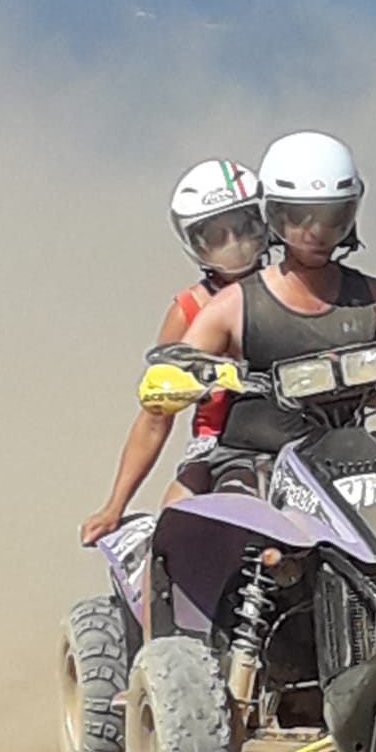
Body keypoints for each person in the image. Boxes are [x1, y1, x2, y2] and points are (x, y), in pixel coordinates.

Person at [173, 131, 376, 491]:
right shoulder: (233, 306)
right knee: (214, 528)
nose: (316, 231)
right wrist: (171, 382)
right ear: (274, 215)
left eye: (332, 216)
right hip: (252, 466)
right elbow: (174, 372)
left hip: (349, 465)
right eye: (300, 216)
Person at [79, 158, 266, 546]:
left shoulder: (296, 289)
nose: (234, 243)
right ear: (195, 244)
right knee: (173, 536)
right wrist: (114, 506)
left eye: (243, 227)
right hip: (218, 448)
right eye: (217, 236)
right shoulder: (188, 312)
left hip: (308, 434)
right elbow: (154, 417)